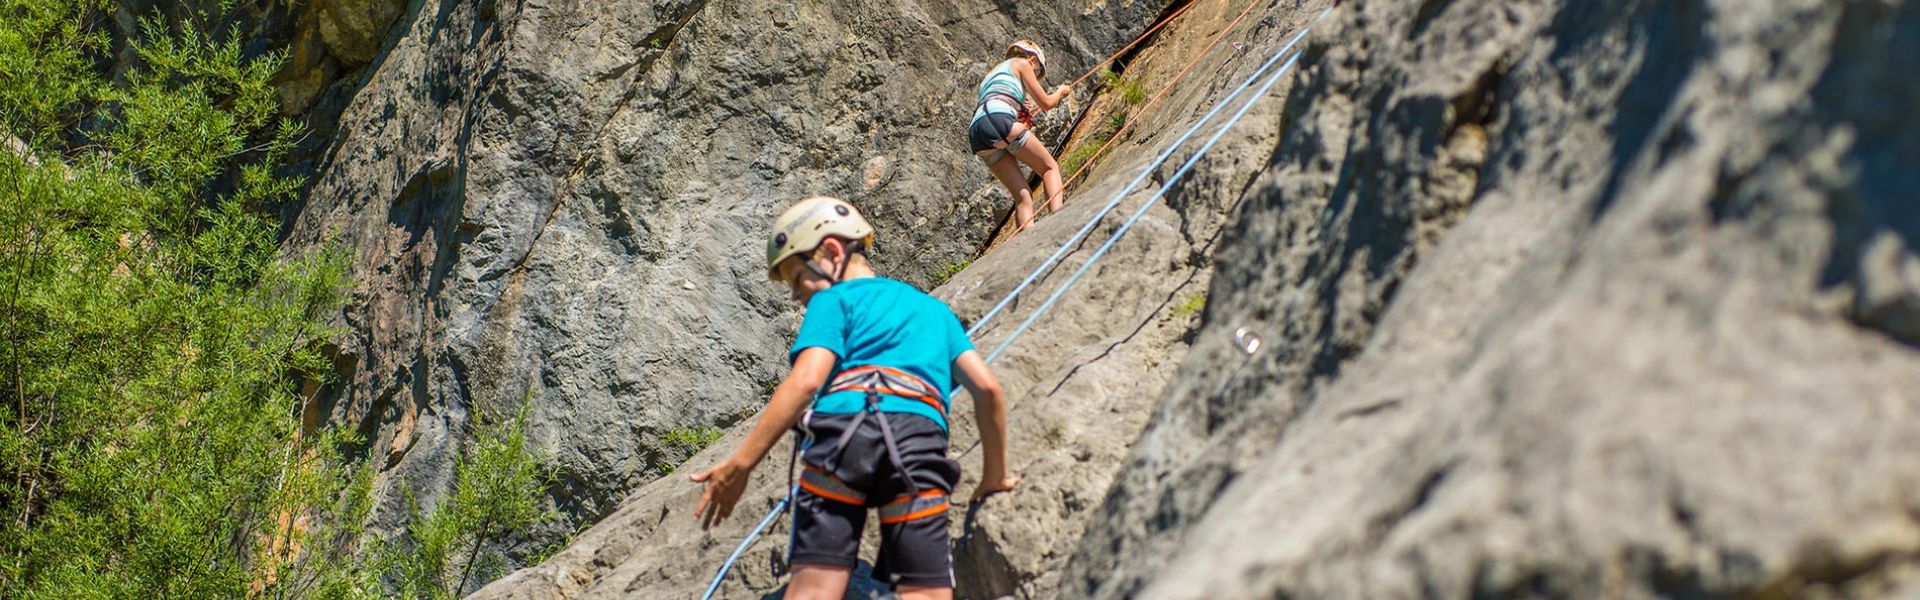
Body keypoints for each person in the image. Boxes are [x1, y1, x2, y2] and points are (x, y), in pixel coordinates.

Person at [691, 196, 1018, 600]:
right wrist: (994, 476)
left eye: (798, 279)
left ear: (830, 251)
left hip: (842, 440)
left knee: (813, 590)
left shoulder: (833, 301)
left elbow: (807, 380)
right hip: (917, 445)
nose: (796, 296)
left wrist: (740, 466)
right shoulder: (935, 311)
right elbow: (987, 388)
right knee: (926, 593)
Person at [968, 40, 1073, 237]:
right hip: (1000, 118)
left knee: (1022, 196)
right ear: (1033, 60)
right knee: (1050, 168)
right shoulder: (1023, 64)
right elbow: (1047, 103)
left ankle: (1027, 241)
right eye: (1037, 74)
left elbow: (999, 104)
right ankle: (1059, 222)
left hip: (978, 131)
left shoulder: (991, 76)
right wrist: (1061, 92)